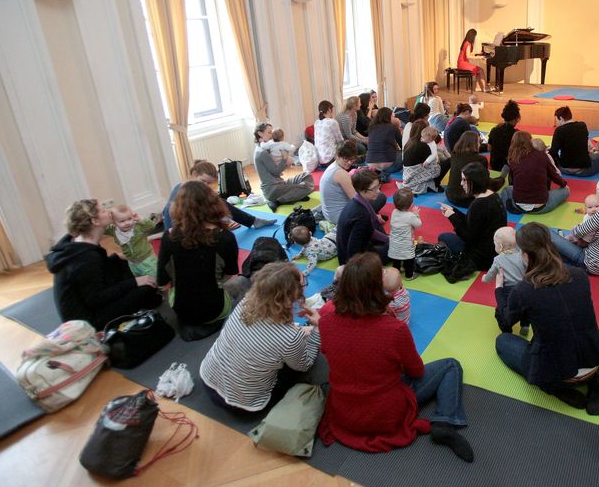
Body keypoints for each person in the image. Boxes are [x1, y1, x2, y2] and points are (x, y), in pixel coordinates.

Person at [318, 253, 473, 462]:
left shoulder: (325, 321)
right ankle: (444, 422)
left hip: (344, 411)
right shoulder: (394, 329)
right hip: (385, 413)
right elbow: (416, 371)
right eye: (382, 273)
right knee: (451, 365)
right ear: (377, 289)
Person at [494, 223, 599, 415]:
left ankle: (554, 388)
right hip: (593, 360)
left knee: (502, 341)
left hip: (558, 373)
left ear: (525, 255)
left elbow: (505, 323)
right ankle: (595, 381)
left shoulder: (524, 290)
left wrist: (499, 290)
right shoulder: (579, 275)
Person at [199, 262, 324, 413]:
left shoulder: (245, 302)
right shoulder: (290, 337)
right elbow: (305, 364)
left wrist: (297, 331)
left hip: (207, 379)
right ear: (291, 296)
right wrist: (318, 328)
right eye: (302, 285)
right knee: (299, 365)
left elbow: (266, 333)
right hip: (244, 404)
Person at [47, 199, 160, 328]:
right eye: (103, 211)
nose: (109, 212)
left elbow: (95, 273)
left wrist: (116, 258)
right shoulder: (87, 258)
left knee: (120, 261)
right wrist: (135, 282)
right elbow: (96, 298)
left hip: (88, 299)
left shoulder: (78, 241)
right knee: (146, 289)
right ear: (95, 221)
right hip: (87, 320)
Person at [157, 181, 240, 327]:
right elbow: (229, 274)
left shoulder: (169, 237)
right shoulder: (226, 237)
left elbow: (162, 280)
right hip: (216, 309)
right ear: (214, 204)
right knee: (240, 283)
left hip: (181, 310)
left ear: (178, 207)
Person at [163, 159, 276, 232]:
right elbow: (187, 220)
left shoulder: (196, 189)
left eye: (209, 183)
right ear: (194, 174)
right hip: (180, 232)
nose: (206, 185)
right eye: (203, 181)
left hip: (190, 227)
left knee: (218, 201)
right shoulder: (184, 193)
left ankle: (253, 221)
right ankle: (252, 221)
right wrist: (219, 226)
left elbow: (218, 204)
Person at [438, 162, 507, 270]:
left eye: (464, 180)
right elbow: (474, 222)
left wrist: (452, 217)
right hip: (495, 252)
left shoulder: (478, 204)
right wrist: (454, 211)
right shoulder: (494, 196)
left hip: (481, 258)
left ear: (475, 182)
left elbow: (467, 236)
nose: (461, 183)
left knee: (443, 237)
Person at [498, 131, 570, 215]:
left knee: (507, 189)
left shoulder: (513, 159)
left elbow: (514, 181)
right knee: (566, 190)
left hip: (519, 204)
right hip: (541, 206)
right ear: (530, 141)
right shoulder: (542, 155)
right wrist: (563, 184)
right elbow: (554, 176)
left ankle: (511, 206)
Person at [320, 140, 387, 227]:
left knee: (369, 191)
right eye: (346, 159)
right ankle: (370, 217)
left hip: (329, 214)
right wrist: (374, 217)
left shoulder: (333, 166)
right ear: (337, 156)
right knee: (380, 197)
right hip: (340, 217)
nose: (349, 162)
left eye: (352, 159)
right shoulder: (341, 173)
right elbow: (357, 200)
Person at [254, 122, 314, 209]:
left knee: (306, 175)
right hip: (272, 190)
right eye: (269, 132)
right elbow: (276, 171)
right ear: (260, 133)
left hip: (280, 184)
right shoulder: (262, 152)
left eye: (272, 132)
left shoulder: (267, 148)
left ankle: (294, 196)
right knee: (306, 187)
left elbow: (275, 171)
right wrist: (284, 158)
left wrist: (285, 163)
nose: (272, 135)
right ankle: (278, 201)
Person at [336, 169, 390, 264]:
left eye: (378, 186)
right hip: (354, 260)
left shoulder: (357, 200)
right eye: (374, 189)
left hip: (361, 244)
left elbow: (371, 230)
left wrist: (387, 239)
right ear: (362, 190)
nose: (378, 191)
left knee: (389, 238)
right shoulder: (361, 215)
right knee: (399, 248)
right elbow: (353, 250)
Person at [482, 226, 528, 335]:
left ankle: (507, 330)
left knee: (501, 312)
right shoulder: (522, 256)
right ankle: (525, 325)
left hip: (508, 292)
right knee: (525, 308)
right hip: (524, 289)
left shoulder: (498, 260)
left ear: (500, 246)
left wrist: (485, 278)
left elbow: (491, 275)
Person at [549, 106, 599, 177]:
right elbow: (586, 144)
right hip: (584, 170)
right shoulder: (582, 125)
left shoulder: (559, 131)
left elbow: (553, 152)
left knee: (549, 154)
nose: (556, 123)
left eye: (556, 120)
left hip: (564, 169)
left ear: (561, 118)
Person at [104, 204, 159, 278]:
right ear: (114, 223)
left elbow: (151, 226)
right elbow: (103, 229)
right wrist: (107, 220)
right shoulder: (114, 230)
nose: (127, 223)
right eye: (122, 221)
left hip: (147, 260)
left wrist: (140, 219)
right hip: (132, 263)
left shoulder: (138, 226)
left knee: (154, 276)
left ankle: (160, 284)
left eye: (129, 219)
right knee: (139, 278)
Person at [445, 130, 489, 207]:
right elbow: (484, 181)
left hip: (450, 195)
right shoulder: (481, 159)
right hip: (468, 199)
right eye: (479, 142)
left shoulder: (454, 155)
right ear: (476, 144)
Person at [402, 122, 448, 194]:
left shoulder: (410, 142)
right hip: (414, 176)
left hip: (407, 175)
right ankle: (435, 184)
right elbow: (433, 162)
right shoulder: (423, 145)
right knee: (447, 161)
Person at [388, 187, 421, 280]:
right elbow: (418, 224)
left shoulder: (394, 212)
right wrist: (416, 214)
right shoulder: (410, 216)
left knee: (396, 259)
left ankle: (396, 273)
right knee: (409, 259)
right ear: (410, 204)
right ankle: (409, 275)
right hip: (406, 244)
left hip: (394, 243)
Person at [365, 107, 403, 182]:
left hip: (370, 163)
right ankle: (385, 174)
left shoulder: (371, 127)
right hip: (388, 165)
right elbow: (403, 145)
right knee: (405, 154)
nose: (394, 118)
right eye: (393, 116)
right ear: (389, 117)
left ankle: (380, 174)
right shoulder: (393, 127)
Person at [487, 100, 521, 172]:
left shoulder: (494, 130)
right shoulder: (517, 134)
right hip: (509, 167)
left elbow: (489, 149)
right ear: (515, 119)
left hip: (494, 164)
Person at [457, 28, 491, 93]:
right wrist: (480, 57)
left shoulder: (466, 42)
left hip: (461, 63)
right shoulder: (468, 44)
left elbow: (468, 54)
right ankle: (485, 87)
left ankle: (478, 88)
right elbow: (468, 56)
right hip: (463, 64)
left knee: (478, 70)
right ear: (472, 36)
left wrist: (477, 53)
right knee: (481, 70)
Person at [314, 101, 344, 167]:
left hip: (319, 160)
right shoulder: (332, 122)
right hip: (330, 159)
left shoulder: (316, 122)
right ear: (329, 110)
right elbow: (340, 140)